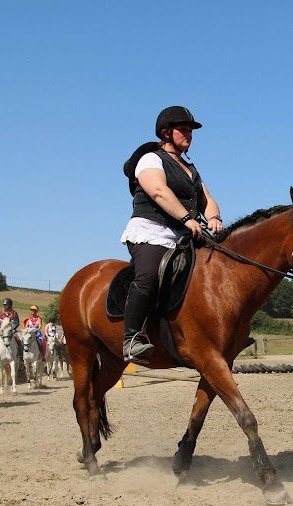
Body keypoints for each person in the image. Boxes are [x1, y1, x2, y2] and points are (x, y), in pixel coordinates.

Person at [120, 106, 223, 364]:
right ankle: (131, 338)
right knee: (150, 277)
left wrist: (213, 217)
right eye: (183, 129)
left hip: (183, 234)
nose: (189, 134)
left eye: (191, 130)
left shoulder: (190, 169)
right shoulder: (151, 159)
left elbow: (206, 199)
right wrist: (187, 218)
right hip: (151, 232)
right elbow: (157, 191)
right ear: (166, 132)